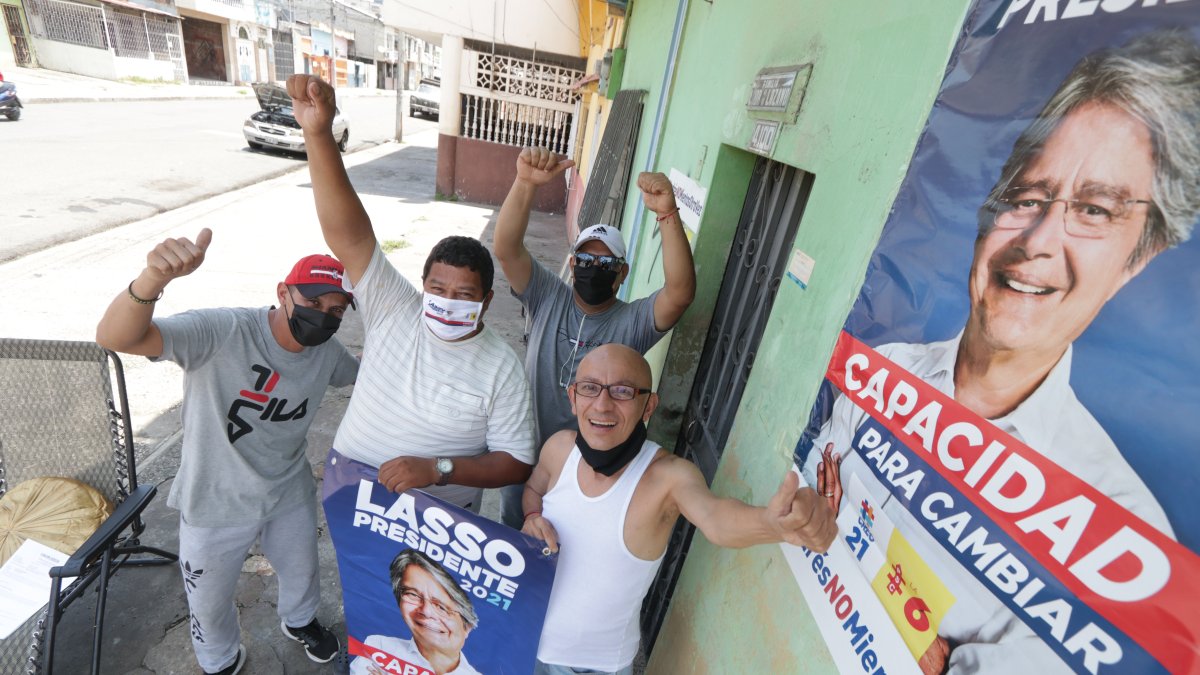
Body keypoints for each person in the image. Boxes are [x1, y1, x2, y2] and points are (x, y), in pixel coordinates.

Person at [804, 30, 1200, 674]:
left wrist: (853, 549)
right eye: (1026, 198)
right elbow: (813, 511)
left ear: (1141, 257)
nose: (1039, 240)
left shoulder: (1124, 533)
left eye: (1095, 210)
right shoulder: (886, 372)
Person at [95, 230, 359, 675]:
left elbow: (371, 379)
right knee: (209, 599)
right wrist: (151, 281)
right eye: (313, 302)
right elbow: (116, 337)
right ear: (283, 292)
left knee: (303, 571)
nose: (323, 316)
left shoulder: (328, 354)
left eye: (335, 310)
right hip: (214, 498)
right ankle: (219, 660)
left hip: (286, 491)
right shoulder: (222, 331)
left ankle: (300, 621)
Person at [285, 72, 536, 512]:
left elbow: (515, 462)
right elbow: (350, 236)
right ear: (422, 287)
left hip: (440, 520)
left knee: (423, 586)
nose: (447, 300)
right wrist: (319, 134)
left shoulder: (502, 366)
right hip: (353, 492)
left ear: (486, 302)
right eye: (438, 288)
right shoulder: (394, 307)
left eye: (464, 294)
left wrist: (439, 469)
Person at [521, 344, 837, 675]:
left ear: (649, 405)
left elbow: (714, 518)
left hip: (593, 667)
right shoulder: (559, 447)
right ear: (573, 397)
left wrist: (772, 524)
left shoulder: (668, 477)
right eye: (589, 388)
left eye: (622, 391)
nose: (602, 404)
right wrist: (532, 517)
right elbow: (533, 489)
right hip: (521, 633)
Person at [493, 146, 697, 527]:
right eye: (585, 260)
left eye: (606, 263)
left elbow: (680, 293)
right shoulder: (547, 295)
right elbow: (506, 249)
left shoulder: (632, 321)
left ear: (622, 273)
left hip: (587, 470)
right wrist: (524, 183)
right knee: (516, 534)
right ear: (573, 265)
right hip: (525, 451)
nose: (594, 268)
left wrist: (668, 215)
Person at [351, 549, 481, 675]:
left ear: (467, 627)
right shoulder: (379, 647)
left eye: (442, 607)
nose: (426, 611)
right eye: (413, 594)